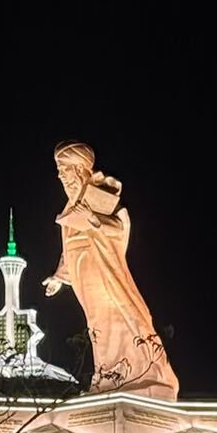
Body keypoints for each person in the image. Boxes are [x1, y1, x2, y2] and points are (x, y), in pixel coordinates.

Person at [43, 140, 179, 399]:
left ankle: (139, 373)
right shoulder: (70, 207)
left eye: (64, 170)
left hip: (105, 273)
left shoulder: (99, 195)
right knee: (98, 327)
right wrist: (59, 277)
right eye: (59, 171)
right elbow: (69, 247)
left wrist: (92, 219)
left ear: (80, 169)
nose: (61, 177)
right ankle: (107, 375)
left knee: (121, 319)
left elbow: (118, 229)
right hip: (84, 279)